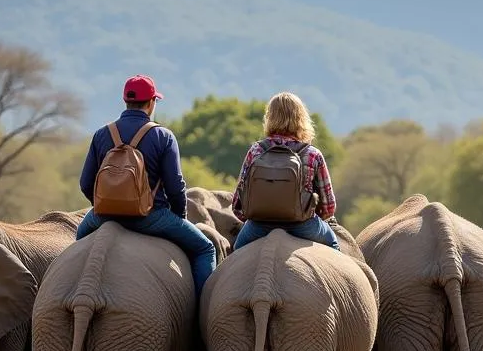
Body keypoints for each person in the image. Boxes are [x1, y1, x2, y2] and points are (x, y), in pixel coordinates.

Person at [77, 75, 216, 297]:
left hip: (103, 216)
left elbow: (85, 183)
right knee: (205, 249)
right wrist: (179, 217)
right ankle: (203, 316)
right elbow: (175, 187)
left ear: (125, 101)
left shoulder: (102, 134)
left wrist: (105, 206)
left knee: (77, 244)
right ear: (151, 103)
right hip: (151, 217)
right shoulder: (163, 136)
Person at [232, 91, 341, 251]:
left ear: (269, 118)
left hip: (259, 227)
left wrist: (254, 218)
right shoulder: (312, 154)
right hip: (303, 226)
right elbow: (329, 207)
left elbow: (237, 204)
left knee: (235, 254)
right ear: (301, 118)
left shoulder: (255, 151)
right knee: (334, 245)